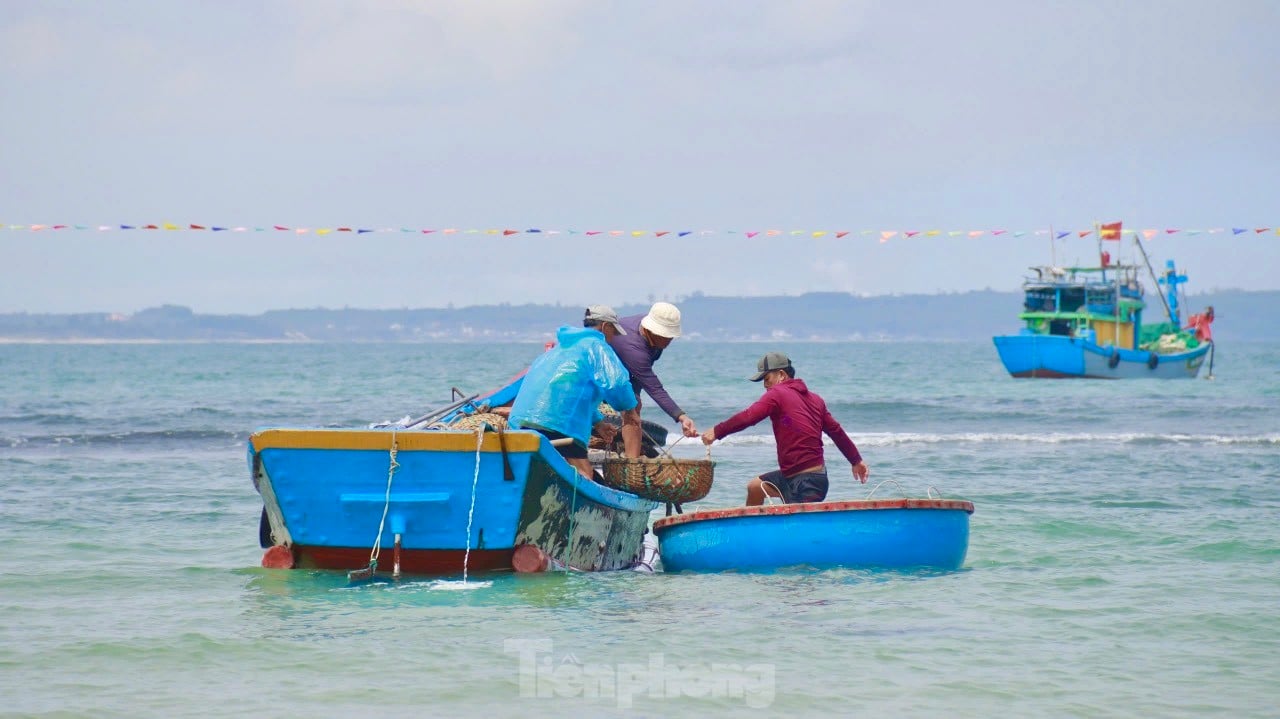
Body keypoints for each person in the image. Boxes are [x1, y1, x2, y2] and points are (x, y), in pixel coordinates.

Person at [701, 351, 869, 505]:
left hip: (809, 483)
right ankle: (753, 532)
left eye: (767, 379)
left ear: (781, 375)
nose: (765, 386)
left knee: (797, 531)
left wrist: (718, 431)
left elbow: (749, 416)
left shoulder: (777, 394)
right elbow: (836, 431)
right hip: (794, 477)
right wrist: (856, 460)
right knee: (755, 487)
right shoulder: (816, 399)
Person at [508, 305, 636, 479]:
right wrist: (630, 410)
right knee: (584, 473)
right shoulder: (597, 346)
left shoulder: (559, 350)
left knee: (538, 473)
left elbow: (569, 393)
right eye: (614, 332)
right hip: (559, 425)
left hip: (522, 424)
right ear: (606, 327)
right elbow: (616, 384)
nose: (613, 339)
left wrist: (598, 423)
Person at [606, 301, 699, 457]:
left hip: (627, 370)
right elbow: (654, 388)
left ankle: (631, 459)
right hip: (602, 370)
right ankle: (632, 461)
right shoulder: (633, 348)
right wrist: (681, 416)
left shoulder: (653, 338)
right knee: (631, 409)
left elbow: (638, 374)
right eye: (665, 335)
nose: (669, 340)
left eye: (670, 336)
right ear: (650, 330)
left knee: (635, 404)